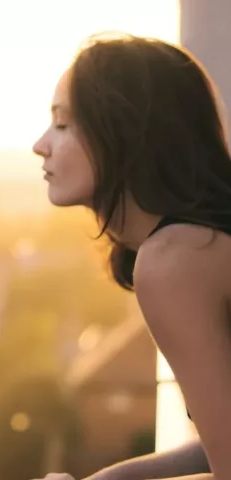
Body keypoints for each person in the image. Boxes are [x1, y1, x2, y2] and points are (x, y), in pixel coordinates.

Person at [32, 34, 231, 480]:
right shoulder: (195, 243)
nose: (41, 144)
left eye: (63, 124)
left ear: (121, 134)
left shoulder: (175, 259)